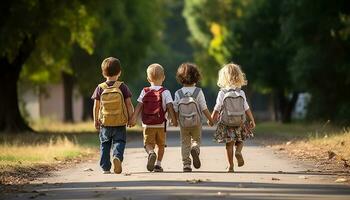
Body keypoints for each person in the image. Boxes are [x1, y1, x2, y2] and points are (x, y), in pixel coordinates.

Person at [129, 63, 177, 172]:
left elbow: (139, 106)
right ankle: (158, 165)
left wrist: (133, 118)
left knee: (148, 144)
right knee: (161, 145)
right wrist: (174, 119)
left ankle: (151, 152)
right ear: (163, 78)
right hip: (161, 124)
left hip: (147, 124)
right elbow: (170, 106)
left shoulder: (145, 91)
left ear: (148, 78)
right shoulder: (165, 92)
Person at [91, 57, 134, 174]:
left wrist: (95, 120)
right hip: (120, 122)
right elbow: (129, 104)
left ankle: (105, 167)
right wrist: (131, 118)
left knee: (105, 144)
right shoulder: (122, 86)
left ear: (103, 73)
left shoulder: (100, 88)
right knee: (119, 141)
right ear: (119, 72)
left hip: (105, 123)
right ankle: (117, 157)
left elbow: (96, 106)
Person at [211, 63, 255, 172]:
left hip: (227, 123)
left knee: (229, 144)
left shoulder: (222, 92)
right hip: (240, 122)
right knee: (240, 140)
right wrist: (252, 120)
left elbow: (217, 107)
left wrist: (211, 118)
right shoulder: (241, 92)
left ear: (223, 77)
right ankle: (238, 151)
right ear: (239, 76)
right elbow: (246, 108)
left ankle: (230, 166)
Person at [173, 63, 214, 172]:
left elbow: (176, 108)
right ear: (196, 77)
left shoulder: (178, 93)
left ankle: (186, 164)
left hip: (183, 123)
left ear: (180, 78)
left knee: (184, 142)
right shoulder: (198, 92)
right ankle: (195, 148)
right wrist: (210, 119)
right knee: (196, 140)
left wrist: (175, 120)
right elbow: (204, 107)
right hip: (197, 123)